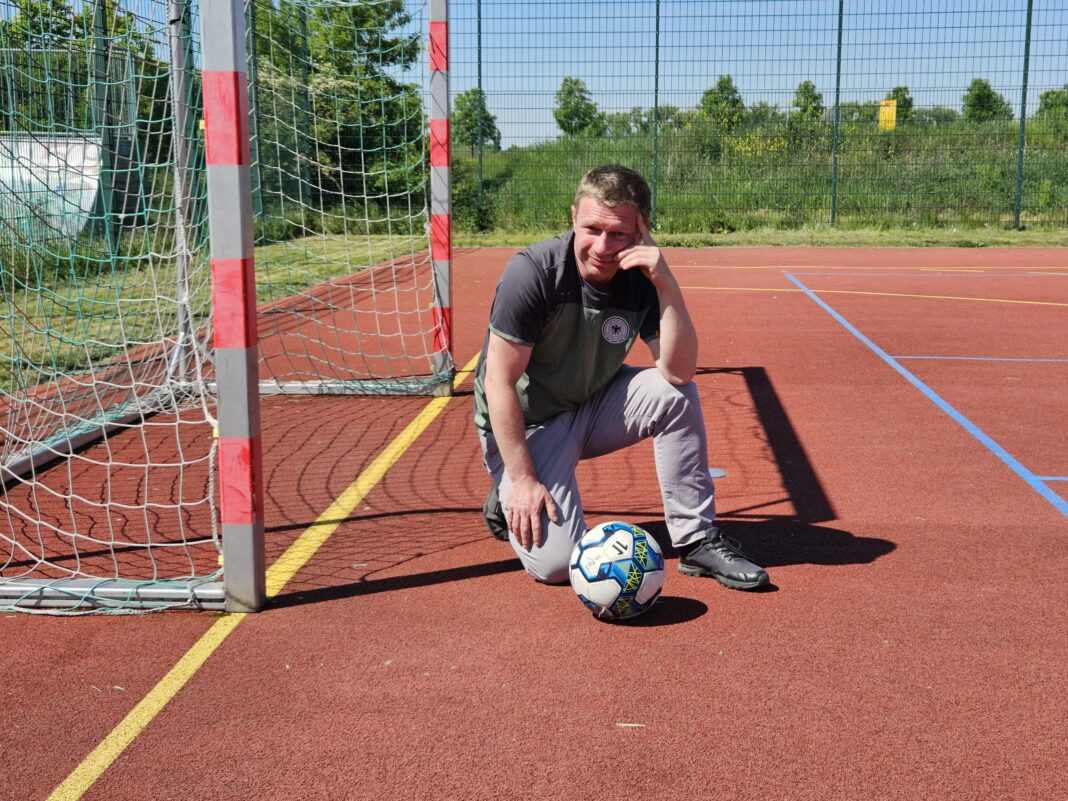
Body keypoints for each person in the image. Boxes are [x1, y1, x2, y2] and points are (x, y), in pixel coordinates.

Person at [472, 165, 768, 591]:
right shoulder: (533, 272)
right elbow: (497, 382)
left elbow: (679, 370)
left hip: (589, 404)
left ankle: (696, 540)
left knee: (675, 394)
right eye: (592, 228)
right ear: (573, 216)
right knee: (557, 566)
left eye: (619, 235)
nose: (602, 247)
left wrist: (666, 284)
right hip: (528, 425)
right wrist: (521, 480)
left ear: (641, 231)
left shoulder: (640, 278)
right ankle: (508, 489)